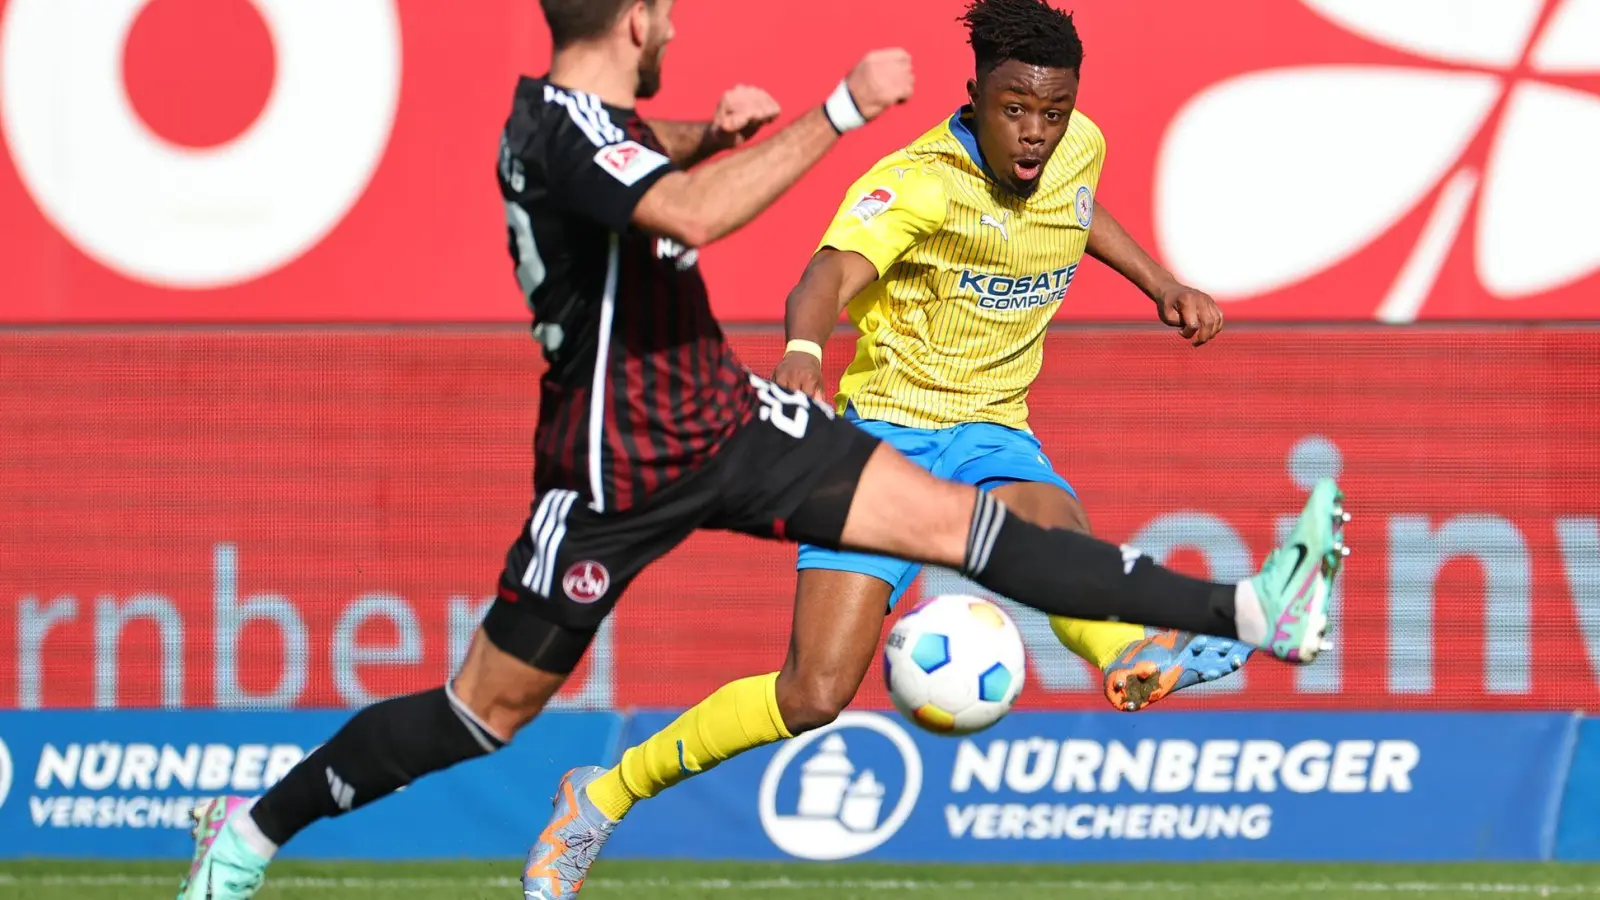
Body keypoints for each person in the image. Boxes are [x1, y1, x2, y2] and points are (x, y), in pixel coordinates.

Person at [176, 2, 1346, 898]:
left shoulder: (592, 125)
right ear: (635, 20)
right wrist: (836, 115)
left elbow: (647, 160)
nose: (675, 24)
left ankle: (1246, 612)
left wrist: (703, 134)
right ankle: (256, 828)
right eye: (666, 11)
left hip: (729, 421)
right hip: (609, 468)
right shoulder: (556, 129)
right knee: (486, 712)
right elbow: (703, 221)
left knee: (976, 531)